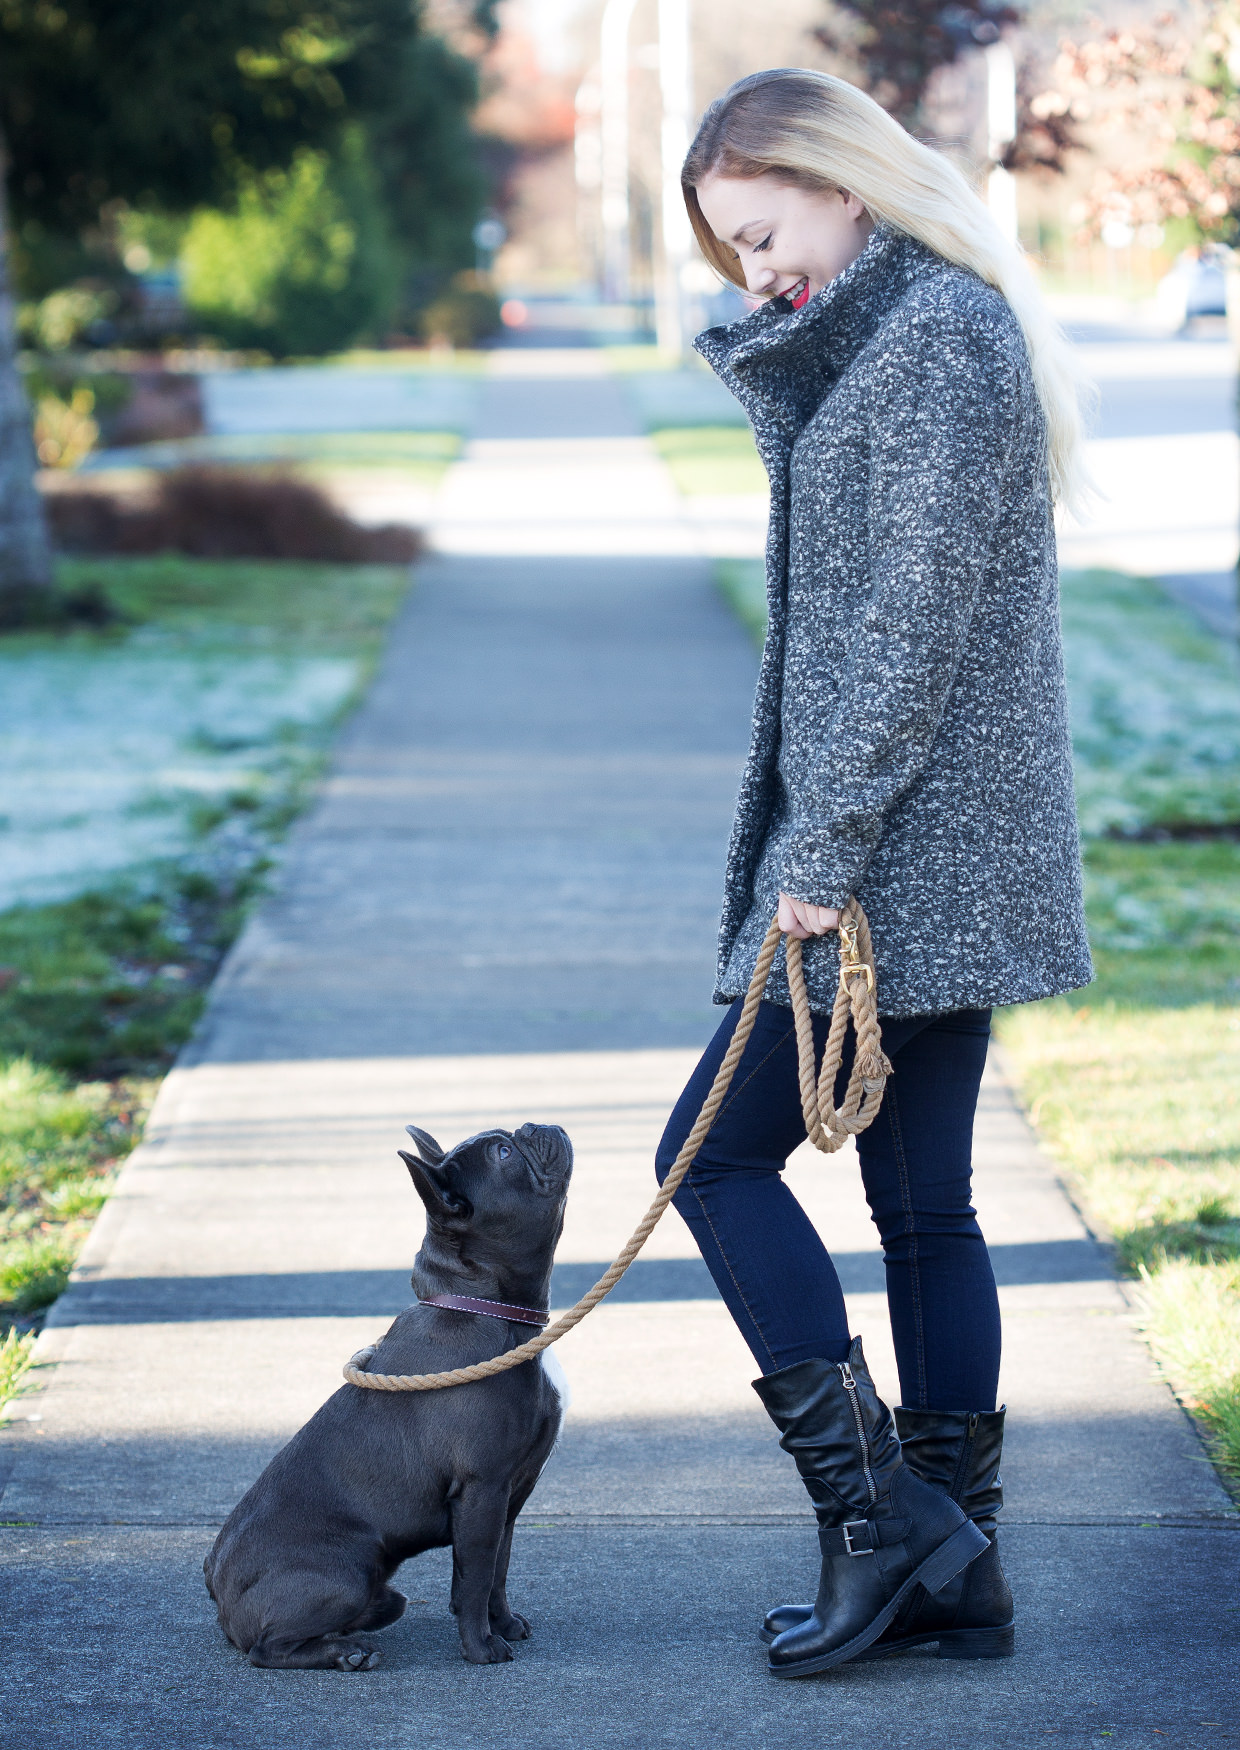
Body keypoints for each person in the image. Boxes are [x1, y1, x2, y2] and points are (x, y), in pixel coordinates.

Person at [655, 67, 1093, 1679]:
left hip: (899, 862)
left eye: (763, 232)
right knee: (924, 1212)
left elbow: (903, 635)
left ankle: (885, 1523)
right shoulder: (919, 333)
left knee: (707, 1162)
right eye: (733, 255)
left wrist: (820, 853)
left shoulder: (937, 346)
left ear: (841, 180)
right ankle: (952, 1568)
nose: (758, 275)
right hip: (924, 855)